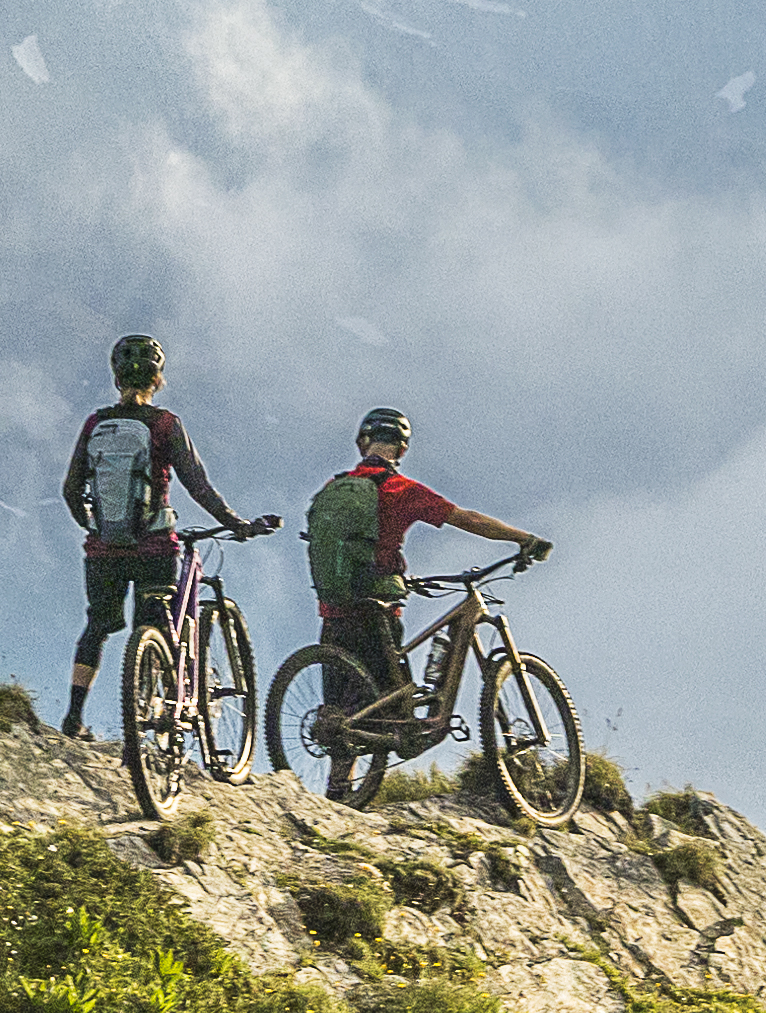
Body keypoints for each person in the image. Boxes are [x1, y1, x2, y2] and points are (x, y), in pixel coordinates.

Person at [297, 404, 539, 793]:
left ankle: (338, 791)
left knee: (344, 704)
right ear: (403, 449)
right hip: (377, 607)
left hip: (335, 608)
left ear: (363, 443)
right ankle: (368, 773)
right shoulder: (401, 490)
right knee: (388, 706)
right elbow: (466, 518)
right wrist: (521, 539)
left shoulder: (333, 490)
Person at [50, 330, 251, 740]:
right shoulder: (164, 423)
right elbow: (197, 484)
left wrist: (97, 527)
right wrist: (234, 522)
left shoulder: (96, 423)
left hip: (103, 550)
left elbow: (71, 490)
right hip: (156, 546)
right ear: (156, 379)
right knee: (155, 625)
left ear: (117, 378)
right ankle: (146, 724)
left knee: (98, 626)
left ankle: (73, 718)